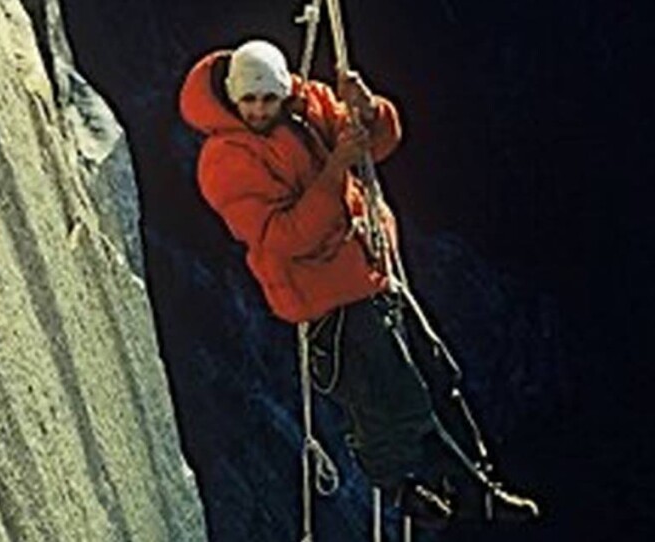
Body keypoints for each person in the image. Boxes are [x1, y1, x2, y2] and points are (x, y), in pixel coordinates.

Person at [179, 38, 539, 527]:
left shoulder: (308, 105)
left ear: (283, 91)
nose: (260, 110)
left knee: (436, 374)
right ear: (233, 97)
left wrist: (368, 111)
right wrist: (336, 168)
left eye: (268, 98)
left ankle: (472, 482)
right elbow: (285, 237)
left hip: (367, 269)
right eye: (251, 101)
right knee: (393, 396)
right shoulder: (225, 161)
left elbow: (376, 144)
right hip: (326, 293)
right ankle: (418, 487)